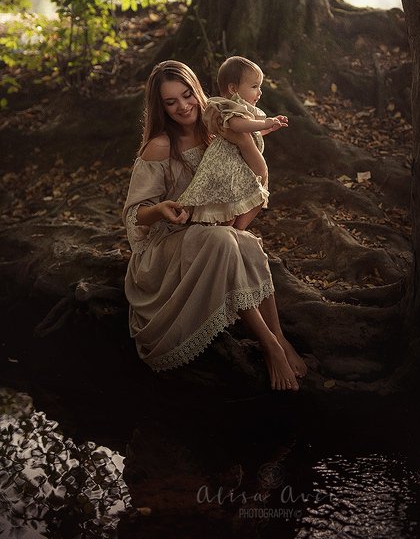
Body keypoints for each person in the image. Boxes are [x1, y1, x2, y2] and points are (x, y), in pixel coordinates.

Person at [122, 60, 307, 391]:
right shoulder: (160, 146)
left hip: (214, 231)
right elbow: (135, 212)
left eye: (187, 94)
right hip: (167, 246)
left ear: (197, 90)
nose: (183, 106)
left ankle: (279, 335)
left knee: (246, 242)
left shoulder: (220, 130)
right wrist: (161, 209)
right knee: (223, 240)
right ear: (160, 107)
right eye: (170, 101)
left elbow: (255, 180)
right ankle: (270, 346)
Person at [178, 55, 288, 230]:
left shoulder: (243, 110)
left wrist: (268, 129)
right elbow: (237, 125)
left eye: (259, 87)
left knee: (253, 198)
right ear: (233, 88)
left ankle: (237, 232)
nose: (259, 92)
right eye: (254, 86)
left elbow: (249, 133)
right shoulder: (229, 107)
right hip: (226, 167)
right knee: (229, 209)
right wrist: (266, 122)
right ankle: (227, 233)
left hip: (237, 166)